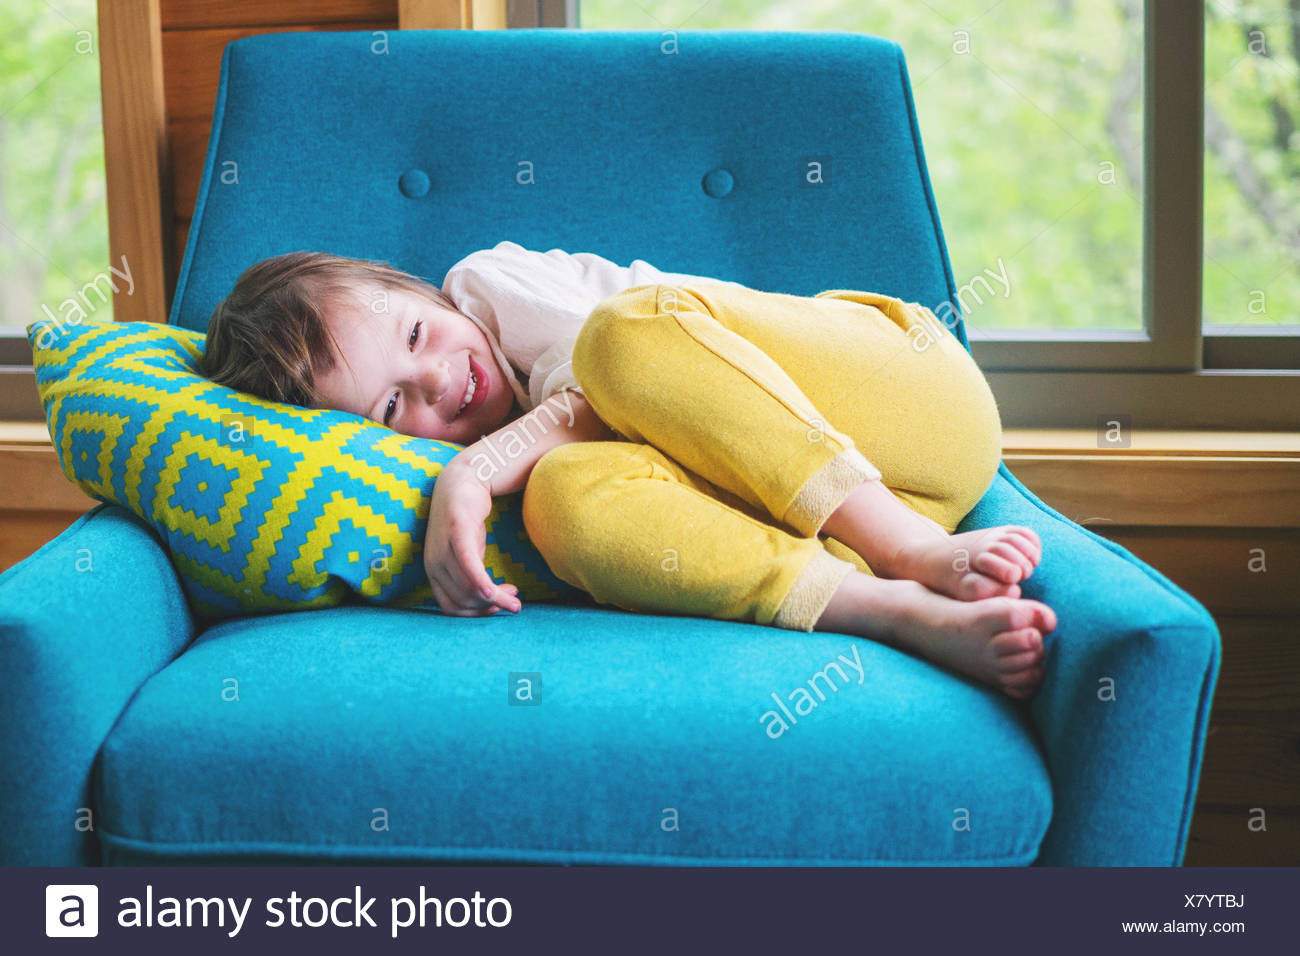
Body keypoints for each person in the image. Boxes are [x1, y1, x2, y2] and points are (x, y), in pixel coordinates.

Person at [200, 242, 1054, 699]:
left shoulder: (490, 287)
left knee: (621, 335)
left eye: (418, 337)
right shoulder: (507, 477)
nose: (435, 379)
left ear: (423, 294)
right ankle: (893, 607)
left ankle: (905, 550)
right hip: (841, 525)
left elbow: (603, 382)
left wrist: (473, 472)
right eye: (392, 410)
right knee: (562, 499)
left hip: (909, 402)